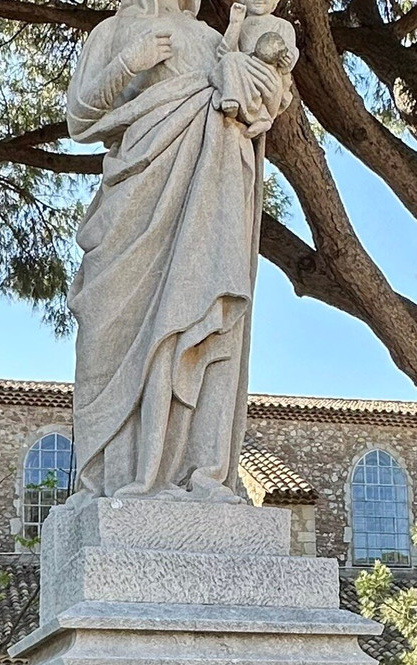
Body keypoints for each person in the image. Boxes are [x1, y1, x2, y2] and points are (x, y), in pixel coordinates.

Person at [65, 0, 285, 505]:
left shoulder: (211, 38)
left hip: (207, 196)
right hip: (134, 197)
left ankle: (195, 471)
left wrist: (261, 79)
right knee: (106, 330)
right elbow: (79, 118)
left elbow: (256, 103)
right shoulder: (112, 31)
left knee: (200, 323)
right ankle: (115, 475)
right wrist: (130, 62)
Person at [214, 0, 298, 137]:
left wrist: (287, 61)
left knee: (234, 59)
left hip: (268, 76)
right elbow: (224, 54)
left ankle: (263, 116)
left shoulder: (282, 25)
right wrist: (235, 23)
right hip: (243, 74)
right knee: (230, 59)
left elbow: (290, 55)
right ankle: (234, 102)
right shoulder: (242, 24)